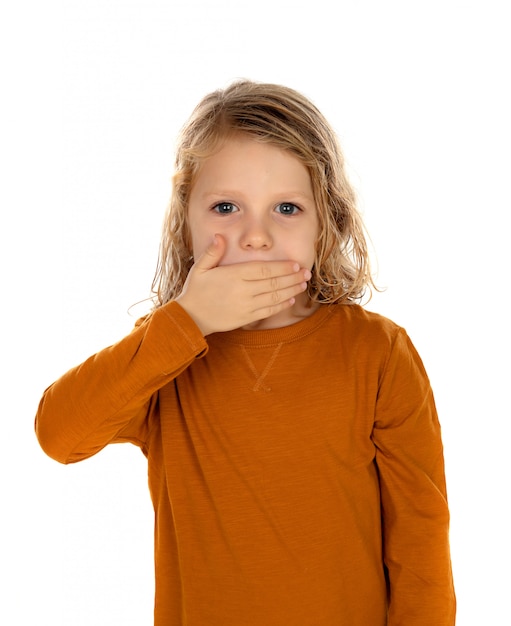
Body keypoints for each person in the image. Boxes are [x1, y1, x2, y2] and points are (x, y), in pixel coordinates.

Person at [35, 79, 456, 625]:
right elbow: (58, 435)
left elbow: (420, 542)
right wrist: (185, 322)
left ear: (324, 225)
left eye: (286, 207)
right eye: (226, 206)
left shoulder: (378, 352)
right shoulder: (165, 351)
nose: (256, 236)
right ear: (185, 226)